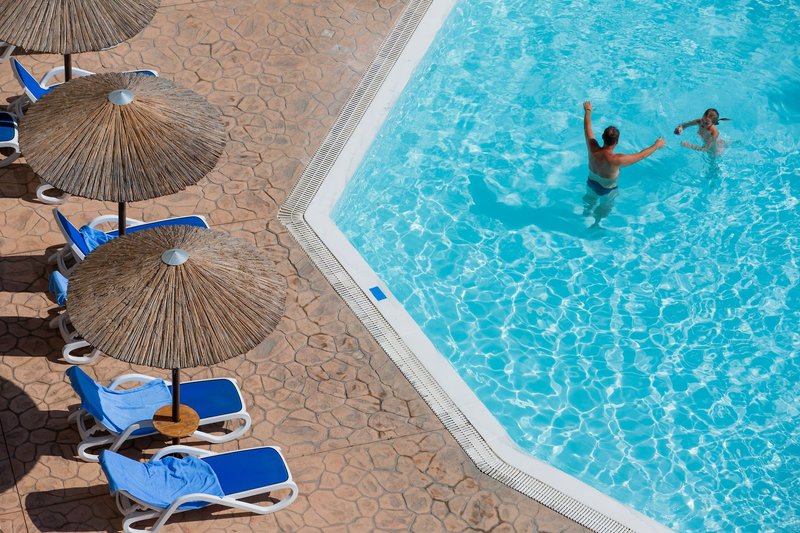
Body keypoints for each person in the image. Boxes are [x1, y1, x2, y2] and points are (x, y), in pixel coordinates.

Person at [582, 101, 666, 225]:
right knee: (604, 208)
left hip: (591, 183)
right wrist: (656, 145)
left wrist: (588, 111)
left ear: (602, 136)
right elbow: (642, 155)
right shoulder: (617, 160)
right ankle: (596, 223)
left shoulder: (592, 147)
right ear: (617, 142)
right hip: (607, 191)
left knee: (589, 202)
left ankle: (585, 217)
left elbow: (587, 128)